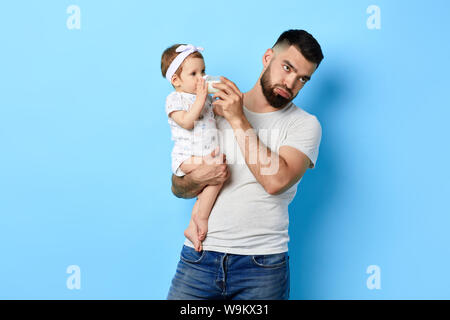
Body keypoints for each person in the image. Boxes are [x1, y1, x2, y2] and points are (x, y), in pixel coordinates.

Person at [167, 29, 324, 300]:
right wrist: (199, 177)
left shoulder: (305, 125)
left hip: (261, 267)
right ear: (267, 58)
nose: (290, 83)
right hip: (199, 256)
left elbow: (275, 181)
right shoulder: (212, 108)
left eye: (302, 79)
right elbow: (179, 187)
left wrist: (239, 119)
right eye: (287, 68)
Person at [161, 44, 224, 252]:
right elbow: (187, 122)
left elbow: (211, 118)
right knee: (218, 175)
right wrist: (200, 99)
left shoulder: (203, 98)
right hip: (187, 157)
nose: (202, 78)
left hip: (207, 154)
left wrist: (219, 105)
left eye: (203, 72)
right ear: (176, 80)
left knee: (216, 178)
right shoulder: (174, 99)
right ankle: (202, 219)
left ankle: (192, 226)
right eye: (194, 73)